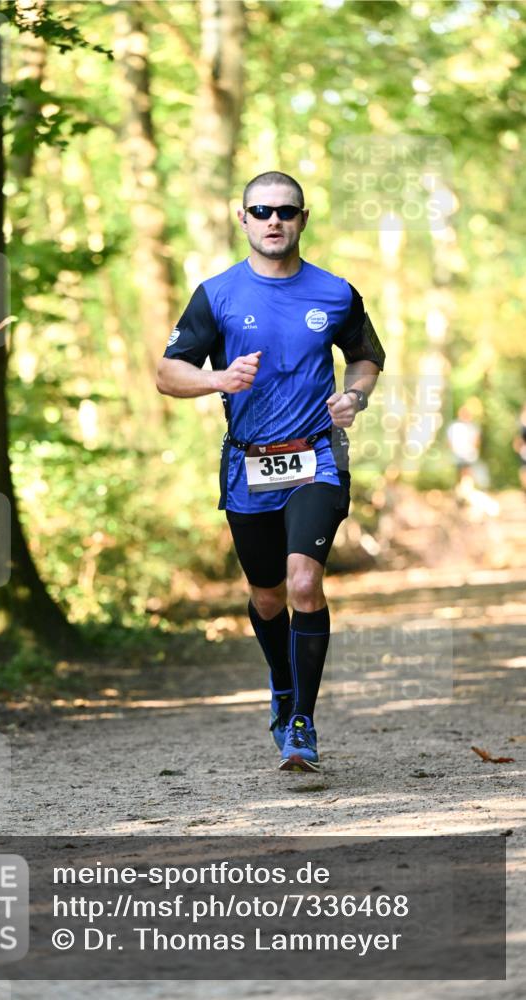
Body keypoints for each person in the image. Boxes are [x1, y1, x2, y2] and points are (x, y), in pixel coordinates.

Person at [156, 171, 385, 773]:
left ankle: (302, 724)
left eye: (286, 210)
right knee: (266, 595)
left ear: (303, 219)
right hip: (248, 465)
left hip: (317, 457)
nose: (273, 220)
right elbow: (167, 372)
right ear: (244, 219)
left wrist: (354, 398)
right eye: (261, 211)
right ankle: (282, 685)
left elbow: (365, 360)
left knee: (304, 583)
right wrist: (217, 379)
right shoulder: (218, 294)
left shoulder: (335, 293)